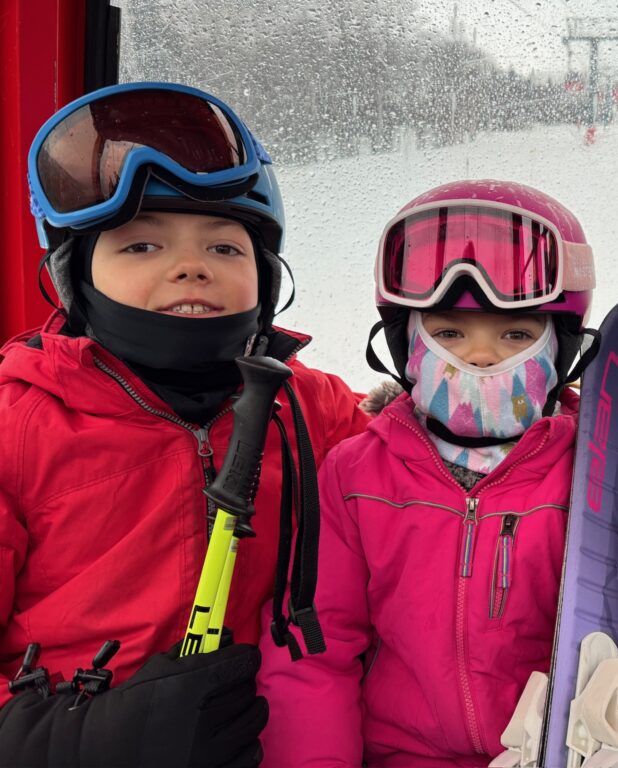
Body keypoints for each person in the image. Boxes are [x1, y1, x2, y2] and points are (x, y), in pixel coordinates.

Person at [257, 180, 618, 767]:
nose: (480, 357)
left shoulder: (603, 480)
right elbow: (316, 651)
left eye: (514, 333)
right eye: (449, 333)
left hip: (561, 750)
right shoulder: (357, 477)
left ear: (561, 350)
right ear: (404, 342)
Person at [0, 82, 369, 766]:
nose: (190, 266)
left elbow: (415, 475)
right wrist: (76, 742)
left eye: (225, 249)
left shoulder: (311, 410)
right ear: (75, 279)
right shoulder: (19, 423)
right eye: (141, 247)